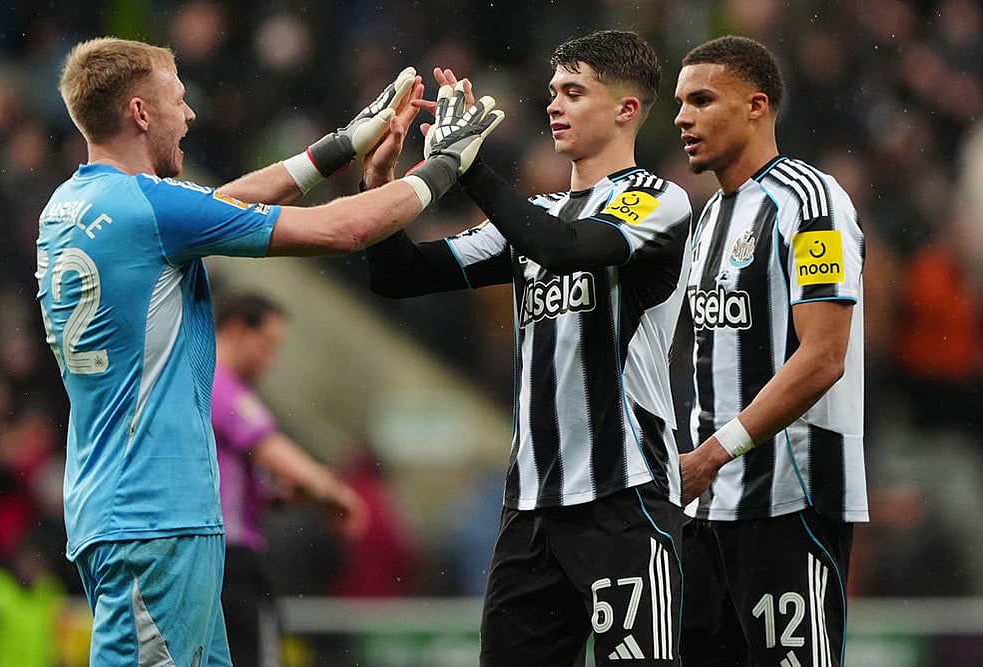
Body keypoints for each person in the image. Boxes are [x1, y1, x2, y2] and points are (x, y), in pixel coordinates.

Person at [35, 36, 503, 665]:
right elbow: (346, 230)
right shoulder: (148, 209)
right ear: (141, 113)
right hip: (155, 512)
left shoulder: (72, 205)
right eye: (179, 98)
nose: (192, 114)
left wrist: (340, 146)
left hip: (129, 508)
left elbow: (213, 207)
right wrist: (444, 165)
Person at [365, 30, 693, 665]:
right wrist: (379, 183)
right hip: (532, 511)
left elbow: (566, 247)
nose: (554, 106)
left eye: (574, 92)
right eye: (552, 92)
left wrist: (469, 166)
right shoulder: (533, 214)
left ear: (627, 109)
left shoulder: (658, 200)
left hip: (623, 498)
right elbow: (398, 276)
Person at [673, 35, 868, 667]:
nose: (682, 117)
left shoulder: (812, 203)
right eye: (680, 103)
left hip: (792, 499)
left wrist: (711, 454)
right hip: (707, 508)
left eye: (702, 100)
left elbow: (823, 357)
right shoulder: (707, 219)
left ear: (757, 106)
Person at [211, 292, 369, 666]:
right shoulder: (218, 383)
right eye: (268, 345)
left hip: (211, 558)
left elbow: (234, 484)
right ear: (237, 330)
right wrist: (335, 492)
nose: (273, 360)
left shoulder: (200, 384)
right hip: (229, 560)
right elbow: (269, 446)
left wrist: (294, 495)